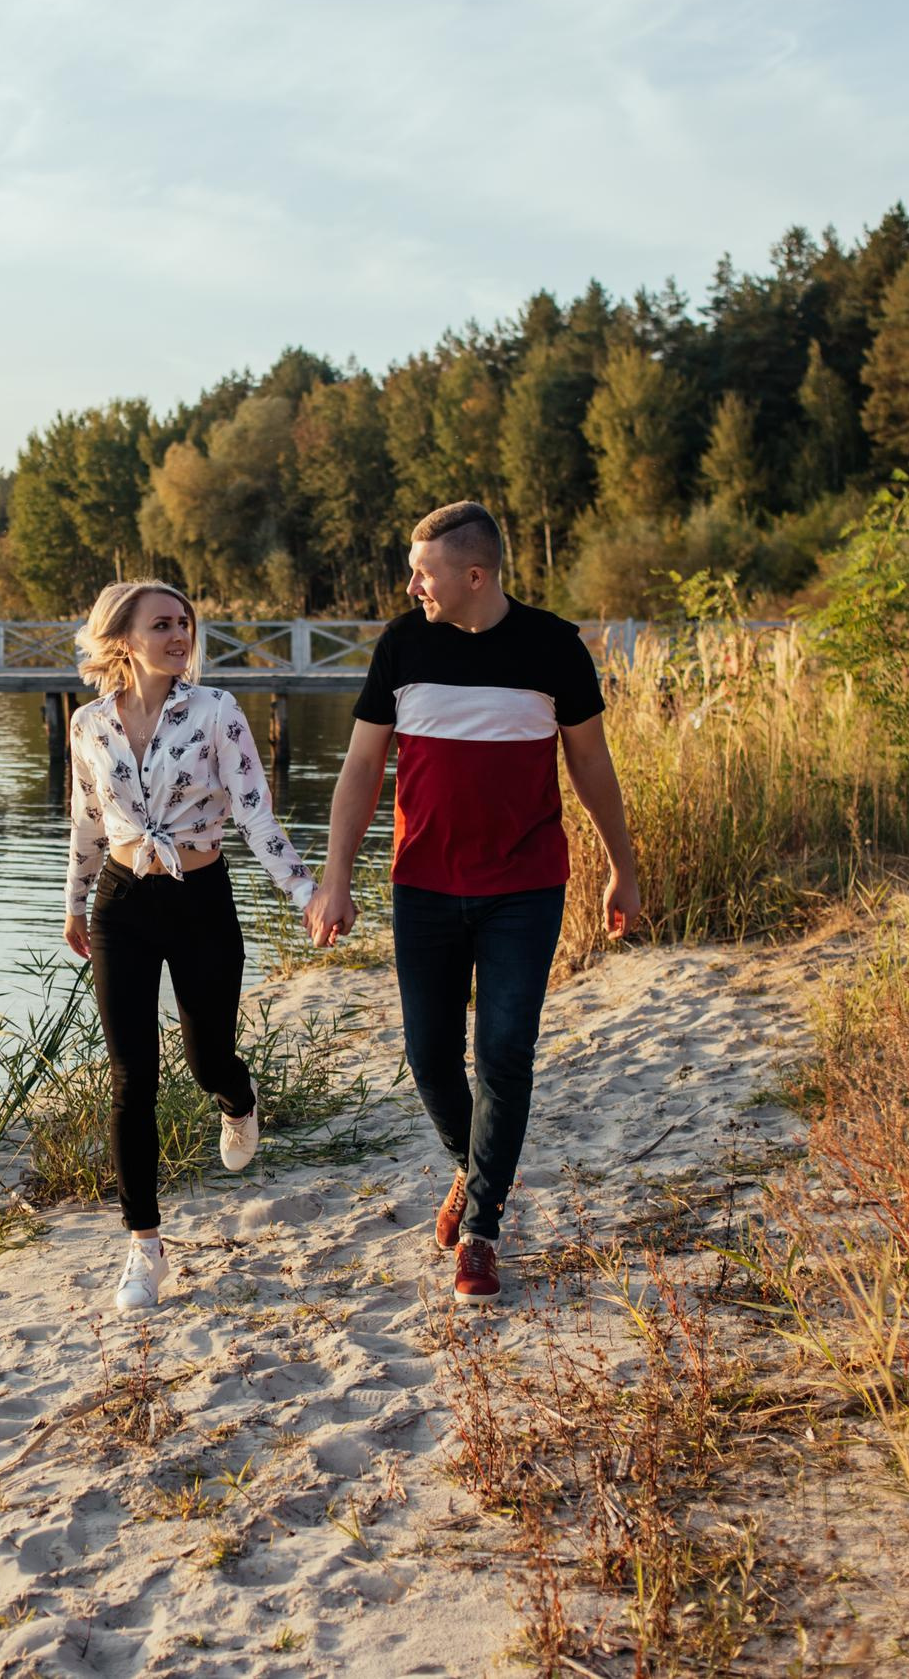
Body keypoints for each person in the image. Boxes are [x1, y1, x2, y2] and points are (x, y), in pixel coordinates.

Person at [308, 502, 642, 1305]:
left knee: (503, 1054)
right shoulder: (402, 645)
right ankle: (474, 1166)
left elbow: (591, 765)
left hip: (525, 888)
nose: (412, 583)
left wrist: (622, 868)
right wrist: (335, 876)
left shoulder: (553, 648)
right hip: (422, 886)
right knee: (428, 1057)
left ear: (475, 575)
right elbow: (361, 767)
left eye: (423, 570)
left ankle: (484, 1225)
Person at [62, 579, 324, 1311]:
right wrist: (74, 903)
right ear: (123, 638)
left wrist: (306, 894)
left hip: (201, 898)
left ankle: (238, 1100)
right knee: (130, 1077)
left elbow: (255, 816)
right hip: (122, 902)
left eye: (185, 623)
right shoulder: (89, 724)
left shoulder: (216, 712)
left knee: (206, 1056)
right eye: (162, 624)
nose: (179, 635)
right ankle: (144, 1248)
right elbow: (87, 819)